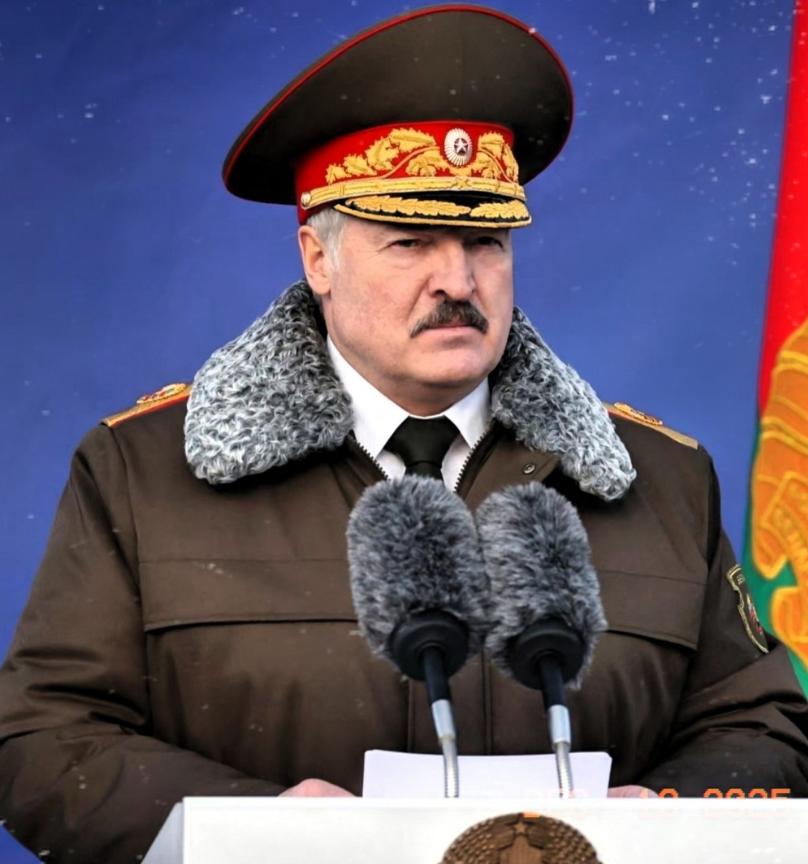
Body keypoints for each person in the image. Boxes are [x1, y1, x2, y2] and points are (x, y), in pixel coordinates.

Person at [2, 5, 807, 862]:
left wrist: (665, 814)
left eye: (486, 240)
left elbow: (764, 728)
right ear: (318, 257)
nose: (457, 280)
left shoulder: (663, 480)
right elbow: (42, 740)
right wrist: (254, 827)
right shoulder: (142, 474)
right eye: (411, 241)